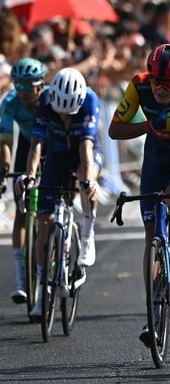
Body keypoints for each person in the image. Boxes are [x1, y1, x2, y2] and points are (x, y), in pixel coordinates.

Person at [107, 43, 170, 343]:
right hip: (155, 151)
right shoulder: (138, 86)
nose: (162, 89)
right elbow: (115, 130)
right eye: (157, 81)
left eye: (169, 82)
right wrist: (148, 124)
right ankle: (153, 316)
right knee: (151, 232)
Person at [21, 68, 102, 318]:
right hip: (57, 156)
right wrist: (30, 175)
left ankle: (87, 236)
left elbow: (86, 148)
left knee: (89, 183)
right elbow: (36, 145)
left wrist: (88, 179)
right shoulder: (46, 101)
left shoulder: (90, 100)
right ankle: (43, 290)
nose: (66, 118)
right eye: (61, 114)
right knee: (44, 224)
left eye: (70, 114)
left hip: (83, 152)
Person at [0, 58, 47, 304]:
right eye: (19, 86)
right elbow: (6, 141)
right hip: (27, 145)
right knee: (21, 209)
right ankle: (21, 280)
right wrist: (4, 171)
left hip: (53, 144)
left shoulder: (50, 99)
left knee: (51, 204)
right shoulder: (9, 102)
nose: (23, 92)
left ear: (40, 85)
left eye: (28, 86)